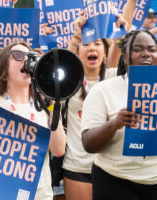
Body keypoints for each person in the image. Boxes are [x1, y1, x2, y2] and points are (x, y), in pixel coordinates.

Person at [0, 41, 66, 200]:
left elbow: (58, 150)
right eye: (18, 56)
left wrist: (50, 101)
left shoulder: (43, 107)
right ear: (3, 67)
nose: (26, 60)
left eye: (31, 57)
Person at [60, 11, 129, 200]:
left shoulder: (113, 77)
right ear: (78, 51)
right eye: (86, 44)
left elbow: (125, 50)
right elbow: (61, 64)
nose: (92, 48)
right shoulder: (68, 81)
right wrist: (75, 36)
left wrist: (121, 30)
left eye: (97, 44)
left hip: (111, 167)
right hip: (77, 166)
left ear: (105, 51)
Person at [81, 30, 157, 200]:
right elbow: (88, 144)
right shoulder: (102, 90)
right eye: (137, 49)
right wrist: (115, 123)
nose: (146, 54)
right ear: (125, 57)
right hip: (115, 181)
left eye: (152, 49)